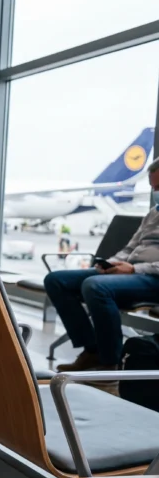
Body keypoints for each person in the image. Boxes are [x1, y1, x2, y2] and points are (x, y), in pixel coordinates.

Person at [44, 160, 159, 373]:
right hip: (131, 271)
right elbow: (131, 247)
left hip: (152, 278)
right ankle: (93, 350)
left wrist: (134, 269)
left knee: (95, 286)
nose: (155, 191)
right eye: (152, 187)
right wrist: (114, 263)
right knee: (56, 280)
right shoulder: (154, 213)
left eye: (158, 187)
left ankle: (110, 363)